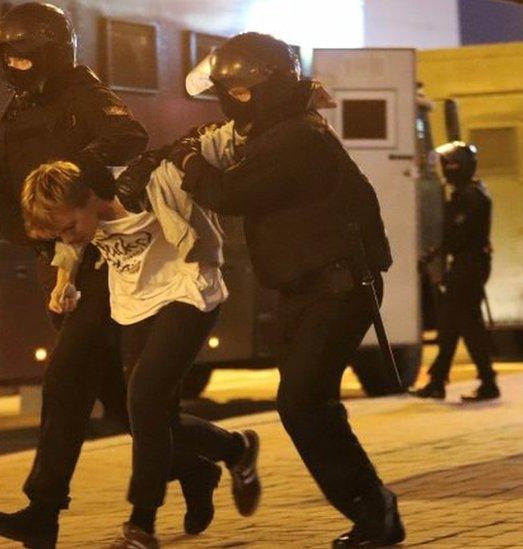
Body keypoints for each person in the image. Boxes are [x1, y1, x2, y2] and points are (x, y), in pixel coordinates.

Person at [119, 32, 405, 547]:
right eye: (229, 92)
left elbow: (227, 192)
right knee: (301, 405)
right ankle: (372, 509)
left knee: (303, 404)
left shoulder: (296, 138)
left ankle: (374, 512)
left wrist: (187, 163)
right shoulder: (276, 132)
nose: (232, 102)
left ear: (266, 86)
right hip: (307, 290)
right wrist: (170, 153)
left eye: (242, 91)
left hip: (336, 289)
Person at [0, 4, 237, 547]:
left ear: (51, 52)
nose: (18, 67)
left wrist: (78, 191)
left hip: (103, 258)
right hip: (64, 256)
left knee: (67, 380)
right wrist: (43, 240)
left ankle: (43, 513)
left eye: (26, 58)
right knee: (126, 405)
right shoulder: (10, 117)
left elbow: (127, 139)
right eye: (11, 59)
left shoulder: (86, 96)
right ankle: (202, 462)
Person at [21, 136, 259, 548]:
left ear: (90, 197)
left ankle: (141, 524)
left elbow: (213, 142)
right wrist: (64, 283)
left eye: (72, 227)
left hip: (188, 294)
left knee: (145, 397)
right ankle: (235, 448)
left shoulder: (149, 186)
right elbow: (68, 248)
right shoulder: (80, 223)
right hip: (134, 307)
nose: (71, 237)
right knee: (153, 421)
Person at [410, 141, 499, 402]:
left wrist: (433, 254)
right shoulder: (473, 192)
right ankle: (437, 381)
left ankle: (488, 381)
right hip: (469, 263)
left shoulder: (468, 197)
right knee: (449, 324)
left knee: (468, 324)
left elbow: (457, 236)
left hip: (467, 265)